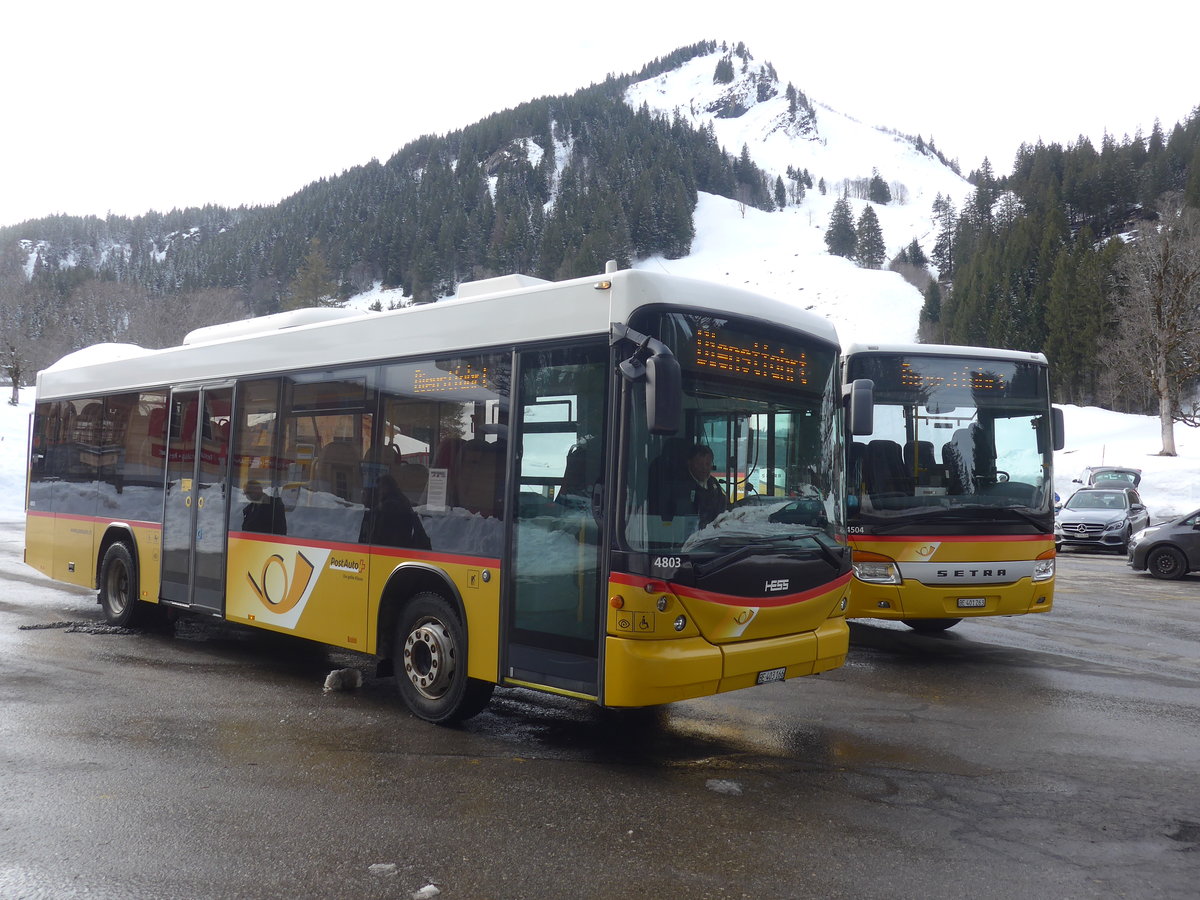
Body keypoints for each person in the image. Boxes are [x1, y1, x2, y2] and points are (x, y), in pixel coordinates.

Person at [654, 443, 729, 528]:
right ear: (689, 463)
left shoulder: (713, 483)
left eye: (708, 464)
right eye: (699, 464)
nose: (704, 468)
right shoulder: (680, 486)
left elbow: (723, 505)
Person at [361, 473, 431, 549]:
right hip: (396, 546)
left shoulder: (392, 503)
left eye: (381, 487)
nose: (379, 490)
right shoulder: (400, 498)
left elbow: (380, 521)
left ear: (387, 487)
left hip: (393, 547)